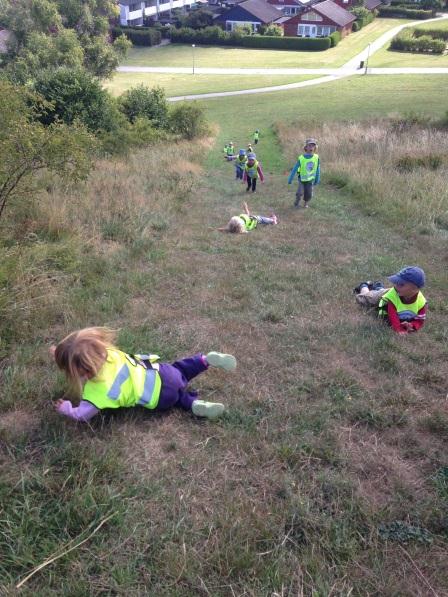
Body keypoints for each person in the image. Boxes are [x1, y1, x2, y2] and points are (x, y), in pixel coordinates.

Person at [52, 327, 237, 423]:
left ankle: (195, 404)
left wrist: (66, 408)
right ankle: (205, 360)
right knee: (182, 369)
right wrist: (60, 353)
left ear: (77, 371)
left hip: (160, 397)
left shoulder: (96, 392)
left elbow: (82, 415)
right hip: (162, 373)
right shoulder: (110, 354)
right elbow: (82, 349)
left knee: (179, 399)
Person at [378, 266, 427, 335]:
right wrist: (399, 329)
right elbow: (392, 316)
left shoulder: (421, 302)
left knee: (380, 289)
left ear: (414, 289)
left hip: (396, 293)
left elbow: (420, 320)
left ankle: (378, 286)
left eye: (401, 284)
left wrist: (411, 325)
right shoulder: (392, 297)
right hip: (380, 297)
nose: (396, 286)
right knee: (366, 297)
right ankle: (364, 286)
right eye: (396, 282)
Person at [287, 138, 320, 208]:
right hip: (301, 180)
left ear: (315, 147)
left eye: (313, 146)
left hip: (310, 180)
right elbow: (295, 169)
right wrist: (290, 179)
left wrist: (317, 179)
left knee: (309, 194)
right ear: (306, 147)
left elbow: (318, 169)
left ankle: (305, 203)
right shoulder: (301, 158)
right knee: (299, 193)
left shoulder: (316, 158)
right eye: (309, 145)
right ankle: (296, 203)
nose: (311, 147)